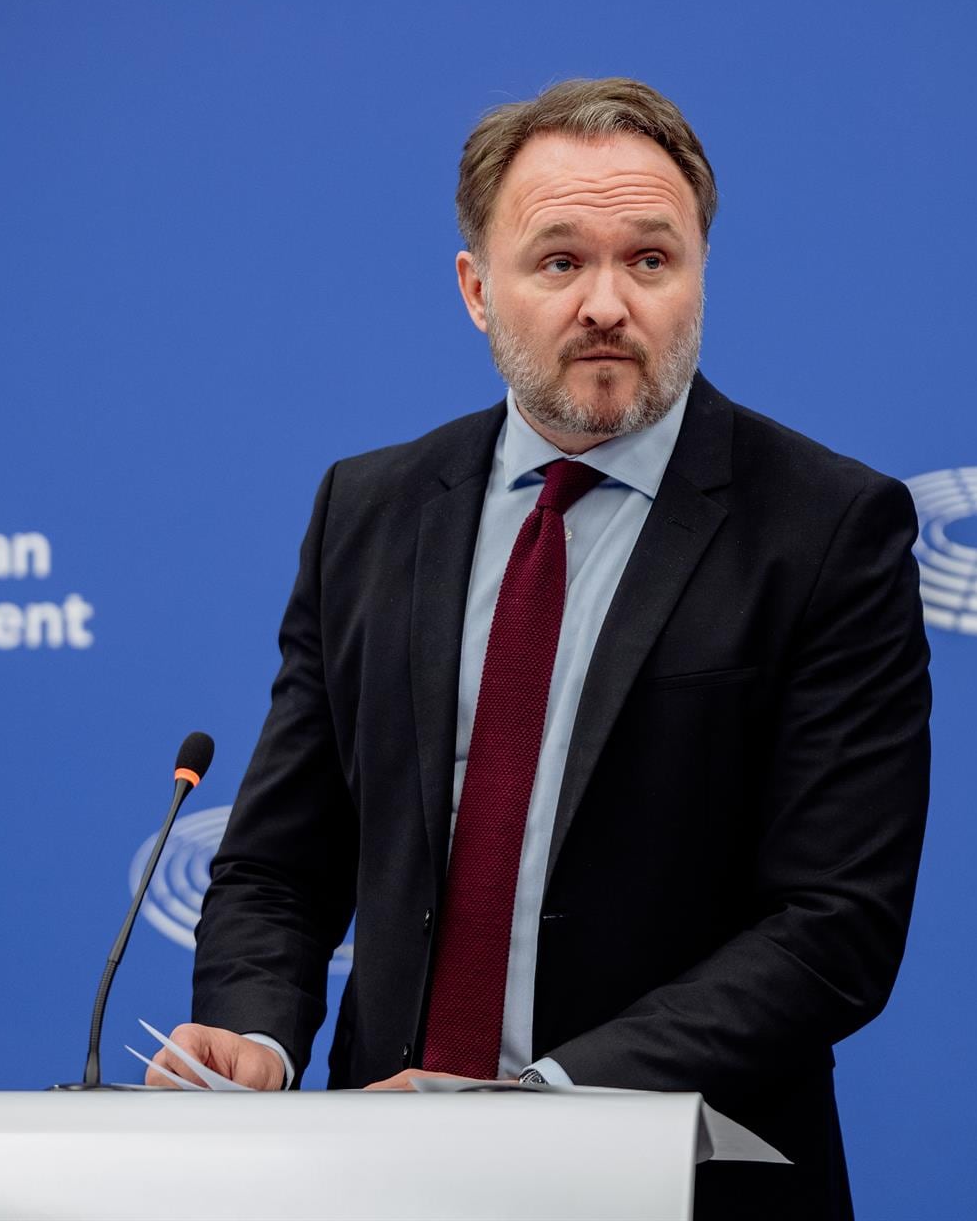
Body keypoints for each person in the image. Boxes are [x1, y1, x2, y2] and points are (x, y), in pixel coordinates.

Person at [150, 77, 932, 1218]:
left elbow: (832, 925)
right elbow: (281, 861)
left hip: (681, 1181)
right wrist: (255, 1031)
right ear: (478, 289)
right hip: (383, 1174)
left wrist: (539, 1103)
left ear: (700, 274)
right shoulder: (368, 511)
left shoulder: (826, 529)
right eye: (560, 261)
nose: (608, 303)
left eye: (650, 260)